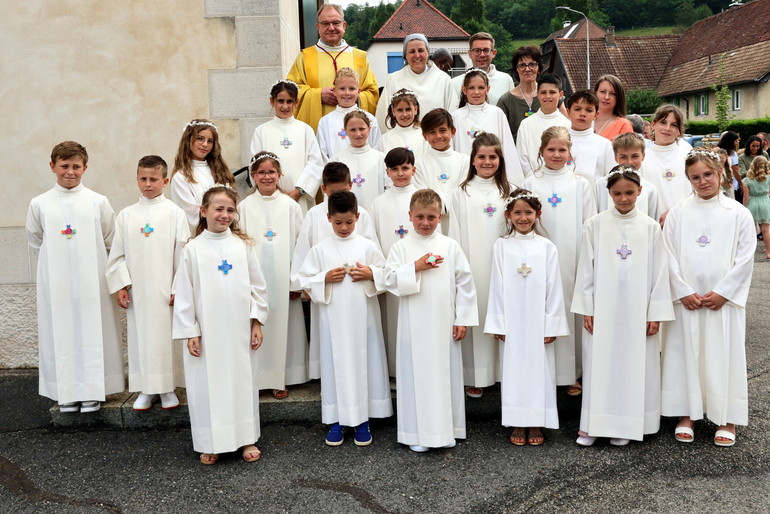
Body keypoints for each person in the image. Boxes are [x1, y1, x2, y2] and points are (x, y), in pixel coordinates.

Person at [572, 166, 674, 447]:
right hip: (603, 308)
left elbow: (659, 273)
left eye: (630, 192)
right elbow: (586, 269)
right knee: (599, 364)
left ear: (640, 191)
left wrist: (655, 313)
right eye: (617, 193)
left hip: (637, 309)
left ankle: (625, 425)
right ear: (609, 193)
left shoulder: (651, 228)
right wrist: (587, 309)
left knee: (632, 364)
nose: (624, 198)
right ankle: (593, 424)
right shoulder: (596, 224)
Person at [661, 150, 755, 447]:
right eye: (695, 177)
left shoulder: (737, 212)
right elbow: (668, 254)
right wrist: (682, 290)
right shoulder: (678, 212)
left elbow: (745, 257)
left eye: (708, 175)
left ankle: (725, 416)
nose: (703, 182)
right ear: (688, 180)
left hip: (721, 302)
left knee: (722, 353)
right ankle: (687, 413)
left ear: (720, 173)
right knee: (686, 353)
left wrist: (725, 292)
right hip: (689, 300)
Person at [173, 186, 269, 465]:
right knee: (207, 385)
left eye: (230, 209)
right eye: (218, 208)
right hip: (207, 333)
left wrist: (256, 322)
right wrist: (190, 330)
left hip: (239, 330)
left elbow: (258, 288)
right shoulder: (193, 249)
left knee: (241, 382)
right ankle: (211, 441)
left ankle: (246, 437)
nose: (225, 214)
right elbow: (185, 293)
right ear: (203, 212)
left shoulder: (243, 247)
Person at [26, 141, 124, 414]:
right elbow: (35, 241)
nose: (70, 172)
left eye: (76, 166)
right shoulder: (40, 203)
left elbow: (110, 240)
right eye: (64, 166)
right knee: (61, 331)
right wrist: (56, 268)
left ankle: (94, 390)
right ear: (52, 166)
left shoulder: (97, 202)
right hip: (56, 281)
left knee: (93, 329)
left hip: (92, 279)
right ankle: (65, 391)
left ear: (85, 168)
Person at [384, 189, 478, 452]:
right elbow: (389, 280)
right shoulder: (400, 247)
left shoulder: (450, 245)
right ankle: (415, 433)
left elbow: (465, 283)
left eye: (431, 217)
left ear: (440, 217)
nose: (425, 223)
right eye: (420, 217)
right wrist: (415, 267)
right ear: (410, 216)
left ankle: (446, 430)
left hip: (444, 322)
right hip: (413, 325)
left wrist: (463, 318)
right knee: (416, 375)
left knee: (444, 374)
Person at [298, 190, 392, 446]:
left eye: (349, 222)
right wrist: (324, 279)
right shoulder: (320, 250)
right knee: (335, 365)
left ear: (357, 217)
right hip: (334, 322)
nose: (343, 227)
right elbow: (304, 279)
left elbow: (386, 274)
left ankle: (363, 420)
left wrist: (371, 274)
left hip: (364, 321)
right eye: (338, 222)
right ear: (328, 218)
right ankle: (337, 420)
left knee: (365, 364)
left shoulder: (367, 246)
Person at [484, 189, 568, 446]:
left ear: (537, 214)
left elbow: (554, 286)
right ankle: (517, 421)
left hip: (537, 321)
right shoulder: (502, 245)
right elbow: (496, 285)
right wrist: (499, 322)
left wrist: (551, 322)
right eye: (517, 212)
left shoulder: (546, 247)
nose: (523, 217)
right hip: (512, 321)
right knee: (514, 370)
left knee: (538, 370)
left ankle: (536, 421)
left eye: (528, 212)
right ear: (508, 215)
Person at [106, 155, 189, 411]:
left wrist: (179, 288)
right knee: (142, 338)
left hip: (166, 290)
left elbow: (183, 253)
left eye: (154, 179)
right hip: (138, 292)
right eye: (143, 178)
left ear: (165, 181)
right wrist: (121, 285)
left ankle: (167, 388)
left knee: (165, 339)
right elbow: (117, 254)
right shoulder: (127, 215)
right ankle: (145, 389)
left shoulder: (174, 213)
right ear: (137, 180)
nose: (148, 184)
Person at [522, 127, 596, 394]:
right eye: (551, 149)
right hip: (537, 257)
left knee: (568, 308)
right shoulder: (531, 183)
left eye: (562, 149)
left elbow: (589, 224)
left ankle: (571, 372)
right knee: (541, 307)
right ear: (541, 151)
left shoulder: (580, 184)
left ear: (570, 152)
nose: (556, 154)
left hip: (571, 256)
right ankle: (542, 369)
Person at [290, 162, 380, 379]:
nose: (344, 226)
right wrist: (308, 283)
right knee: (331, 343)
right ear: (324, 189)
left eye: (343, 191)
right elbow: (304, 249)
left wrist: (368, 272)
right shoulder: (314, 214)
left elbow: (372, 252)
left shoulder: (363, 214)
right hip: (329, 291)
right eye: (333, 192)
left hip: (357, 291)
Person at [448, 133, 513, 398]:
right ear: (473, 160)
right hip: (472, 264)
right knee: (477, 312)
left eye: (493, 157)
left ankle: (503, 371)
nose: (487, 162)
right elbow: (454, 233)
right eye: (482, 157)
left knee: (502, 315)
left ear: (501, 159)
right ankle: (475, 374)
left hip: (504, 267)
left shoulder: (509, 190)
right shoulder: (460, 193)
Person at [239, 152, 308, 400]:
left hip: (284, 276)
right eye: (261, 172)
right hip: (256, 277)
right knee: (258, 322)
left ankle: (284, 377)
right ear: (253, 176)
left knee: (284, 324)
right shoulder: (244, 207)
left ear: (279, 175)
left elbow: (301, 244)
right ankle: (258, 378)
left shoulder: (291, 206)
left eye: (271, 172)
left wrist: (296, 280)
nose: (266, 176)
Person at [287, 3, 378, 131]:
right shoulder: (305, 57)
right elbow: (291, 92)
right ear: (317, 27)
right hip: (317, 130)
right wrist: (318, 95)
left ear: (344, 25)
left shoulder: (360, 58)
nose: (331, 28)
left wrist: (351, 95)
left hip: (355, 133)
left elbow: (372, 94)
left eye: (335, 23)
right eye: (325, 23)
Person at [372, 148, 418, 376]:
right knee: (393, 322)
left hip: (420, 269)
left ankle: (417, 369)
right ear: (387, 172)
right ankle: (395, 371)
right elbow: (374, 240)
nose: (401, 173)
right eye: (395, 169)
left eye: (405, 168)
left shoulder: (422, 195)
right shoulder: (379, 203)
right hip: (392, 272)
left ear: (414, 169)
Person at [249, 80, 325, 213]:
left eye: (289, 101)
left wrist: (299, 191)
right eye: (280, 101)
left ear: (296, 102)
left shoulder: (305, 130)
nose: (285, 106)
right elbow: (254, 166)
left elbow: (315, 164)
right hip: (270, 196)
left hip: (299, 198)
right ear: (272, 101)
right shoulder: (261, 131)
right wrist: (275, 191)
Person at [452, 69, 524, 185]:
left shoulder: (497, 113)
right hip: (465, 177)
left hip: (494, 176)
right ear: (464, 90)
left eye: (481, 88)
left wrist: (513, 181)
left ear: (488, 89)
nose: (476, 92)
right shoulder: (456, 116)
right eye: (471, 88)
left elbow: (507, 146)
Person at [376, 34, 458, 133]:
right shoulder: (393, 79)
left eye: (421, 50)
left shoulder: (443, 79)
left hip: (435, 140)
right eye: (412, 51)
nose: (417, 55)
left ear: (427, 53)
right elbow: (384, 115)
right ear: (405, 56)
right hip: (403, 142)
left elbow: (452, 114)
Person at [171, 119, 235, 231]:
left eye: (210, 141)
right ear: (188, 140)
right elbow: (191, 215)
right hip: (201, 235)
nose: (205, 144)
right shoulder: (181, 177)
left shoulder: (220, 171)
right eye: (200, 139)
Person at [413, 108, 470, 229]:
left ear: (453, 131)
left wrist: (440, 204)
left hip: (458, 221)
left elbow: (464, 193)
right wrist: (441, 205)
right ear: (424, 136)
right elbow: (421, 196)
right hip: (431, 223)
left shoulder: (465, 161)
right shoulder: (418, 165)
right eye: (432, 132)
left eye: (443, 130)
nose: (438, 136)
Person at [317, 67, 382, 160]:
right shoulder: (325, 122)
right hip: (335, 172)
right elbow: (321, 155)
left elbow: (376, 149)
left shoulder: (370, 119)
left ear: (359, 92)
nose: (347, 93)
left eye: (351, 89)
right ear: (334, 91)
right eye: (342, 88)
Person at [330, 110, 386, 212]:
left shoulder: (381, 159)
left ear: (369, 129)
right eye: (353, 130)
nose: (358, 134)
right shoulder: (337, 160)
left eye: (362, 129)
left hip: (375, 212)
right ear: (345, 131)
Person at [642, 105, 691, 220]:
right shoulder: (642, 158)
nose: (667, 128)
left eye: (673, 125)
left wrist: (675, 213)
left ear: (679, 130)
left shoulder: (688, 155)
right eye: (663, 122)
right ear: (653, 125)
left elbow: (697, 192)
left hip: (684, 220)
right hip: (653, 223)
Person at [516, 74, 570, 176]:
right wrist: (533, 179)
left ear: (561, 94)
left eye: (552, 92)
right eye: (543, 92)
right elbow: (522, 158)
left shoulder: (567, 124)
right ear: (537, 94)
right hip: (534, 181)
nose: (548, 96)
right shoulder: (526, 124)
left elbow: (570, 156)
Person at [595, 133, 659, 219]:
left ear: (643, 156)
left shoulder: (650, 189)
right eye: (623, 157)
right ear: (615, 157)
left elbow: (652, 220)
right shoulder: (601, 185)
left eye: (635, 156)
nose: (630, 162)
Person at [565, 90, 616, 187]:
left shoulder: (605, 145)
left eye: (589, 110)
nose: (582, 114)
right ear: (568, 112)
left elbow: (611, 179)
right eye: (577, 109)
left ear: (596, 115)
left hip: (594, 197)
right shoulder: (558, 142)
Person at [497, 46, 547, 142]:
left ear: (538, 68)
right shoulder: (505, 101)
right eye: (522, 65)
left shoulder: (550, 96)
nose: (527, 69)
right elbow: (499, 134)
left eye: (532, 64)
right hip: (516, 154)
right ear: (516, 69)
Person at [450, 32, 514, 106]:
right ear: (470, 54)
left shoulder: (506, 80)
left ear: (494, 53)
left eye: (486, 50)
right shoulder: (455, 83)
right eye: (477, 50)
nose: (482, 55)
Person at [381, 89, 427, 163]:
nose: (404, 114)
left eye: (408, 109)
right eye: (400, 110)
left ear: (415, 109)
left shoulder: (424, 136)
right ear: (393, 111)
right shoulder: (384, 139)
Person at [742, 156, 770, 258]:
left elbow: (746, 196)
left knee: (751, 230)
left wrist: (744, 207)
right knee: (766, 230)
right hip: (765, 202)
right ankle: (768, 252)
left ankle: (750, 253)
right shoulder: (768, 178)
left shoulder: (747, 180)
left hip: (752, 203)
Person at [593, 75, 633, 141]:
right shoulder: (584, 119)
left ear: (619, 98)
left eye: (613, 94)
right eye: (603, 92)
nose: (606, 97)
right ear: (595, 93)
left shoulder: (623, 125)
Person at [716, 131, 742, 202]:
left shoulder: (733, 153)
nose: (737, 143)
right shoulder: (718, 151)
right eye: (736, 141)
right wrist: (741, 183)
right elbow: (735, 169)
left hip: (730, 182)